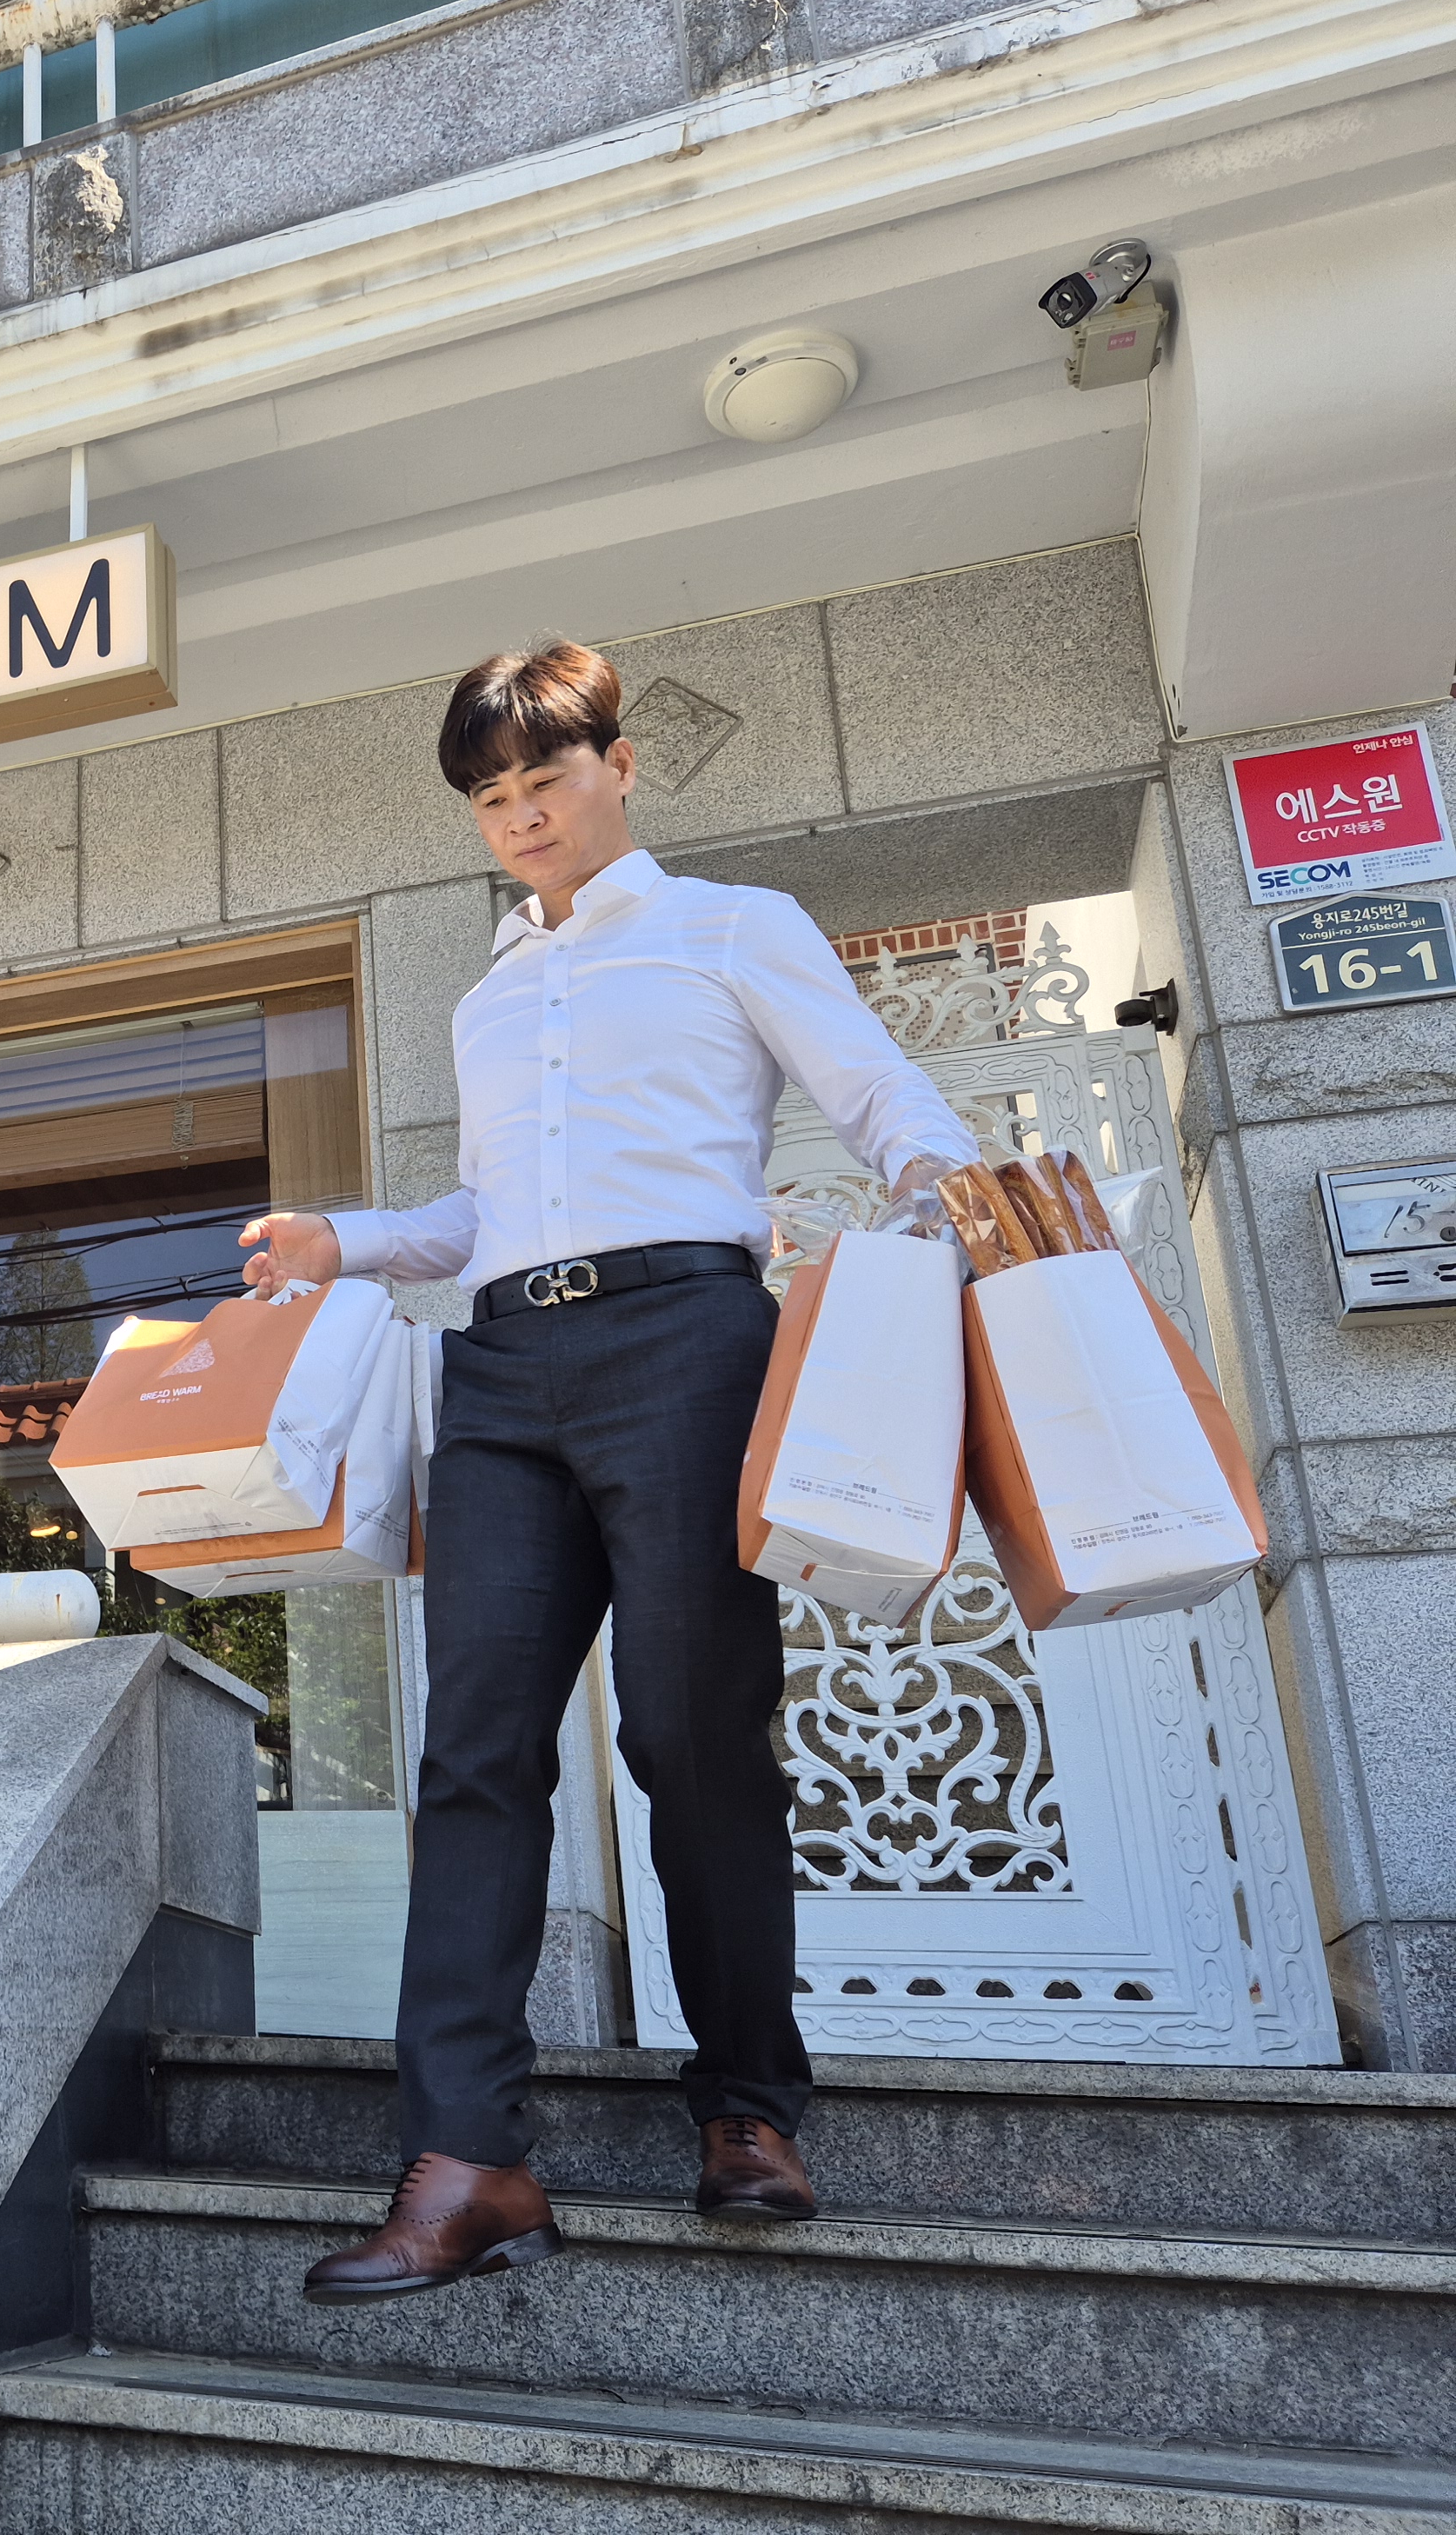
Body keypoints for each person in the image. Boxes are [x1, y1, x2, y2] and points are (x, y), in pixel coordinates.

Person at [239, 640, 974, 2301]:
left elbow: (875, 1093)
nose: (521, 817)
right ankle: (466, 2161)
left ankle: (749, 2107)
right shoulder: (488, 996)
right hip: (503, 1368)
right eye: (491, 798)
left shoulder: (732, 927)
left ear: (619, 768)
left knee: (692, 1730)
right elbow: (485, 1218)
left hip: (688, 1343)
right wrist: (346, 1239)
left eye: (545, 781)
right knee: (474, 1750)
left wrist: (954, 1200)